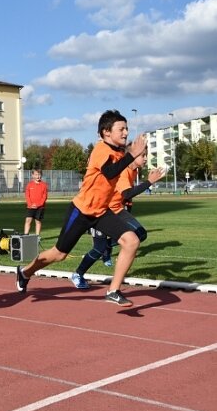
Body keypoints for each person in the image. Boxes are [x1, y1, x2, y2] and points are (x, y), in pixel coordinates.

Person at [15, 110, 147, 306]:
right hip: (81, 211)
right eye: (121, 129)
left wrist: (134, 158)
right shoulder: (101, 149)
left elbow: (121, 171)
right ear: (106, 132)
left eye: (127, 128)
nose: (126, 132)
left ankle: (113, 290)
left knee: (132, 241)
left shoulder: (119, 152)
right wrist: (132, 155)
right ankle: (25, 272)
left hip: (101, 212)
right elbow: (110, 172)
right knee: (59, 254)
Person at [71, 147, 165, 289]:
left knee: (141, 233)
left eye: (146, 155)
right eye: (143, 155)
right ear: (133, 156)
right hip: (103, 210)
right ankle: (78, 273)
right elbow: (127, 194)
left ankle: (109, 245)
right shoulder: (124, 171)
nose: (145, 158)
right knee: (98, 249)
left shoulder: (134, 170)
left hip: (118, 210)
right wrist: (149, 182)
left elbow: (123, 196)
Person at [23, 168, 48, 235]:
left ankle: (37, 237)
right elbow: (27, 196)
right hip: (30, 207)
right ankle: (25, 235)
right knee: (28, 220)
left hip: (40, 207)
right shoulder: (29, 185)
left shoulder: (44, 185)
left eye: (39, 174)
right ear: (33, 175)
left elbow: (44, 197)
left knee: (38, 222)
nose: (38, 176)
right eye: (36, 174)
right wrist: (30, 204)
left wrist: (38, 205)